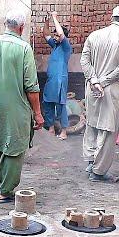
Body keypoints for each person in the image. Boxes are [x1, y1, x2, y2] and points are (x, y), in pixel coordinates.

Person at [0, 9, 44, 203]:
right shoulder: (23, 48)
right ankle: (5, 191)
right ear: (21, 28)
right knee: (14, 148)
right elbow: (31, 87)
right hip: (17, 108)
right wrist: (38, 114)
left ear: (5, 25)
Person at [81, 5, 119, 182]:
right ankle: (98, 171)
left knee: (92, 125)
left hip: (92, 88)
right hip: (111, 91)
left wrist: (94, 80)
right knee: (108, 130)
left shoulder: (94, 35)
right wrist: (104, 82)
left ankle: (90, 161)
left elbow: (84, 60)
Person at [41, 11, 72, 140]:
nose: (54, 37)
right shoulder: (55, 46)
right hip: (51, 80)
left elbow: (60, 34)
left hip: (60, 81)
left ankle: (64, 131)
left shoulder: (66, 46)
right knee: (47, 103)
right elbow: (45, 34)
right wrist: (47, 20)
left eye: (57, 35)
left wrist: (54, 17)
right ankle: (51, 128)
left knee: (61, 105)